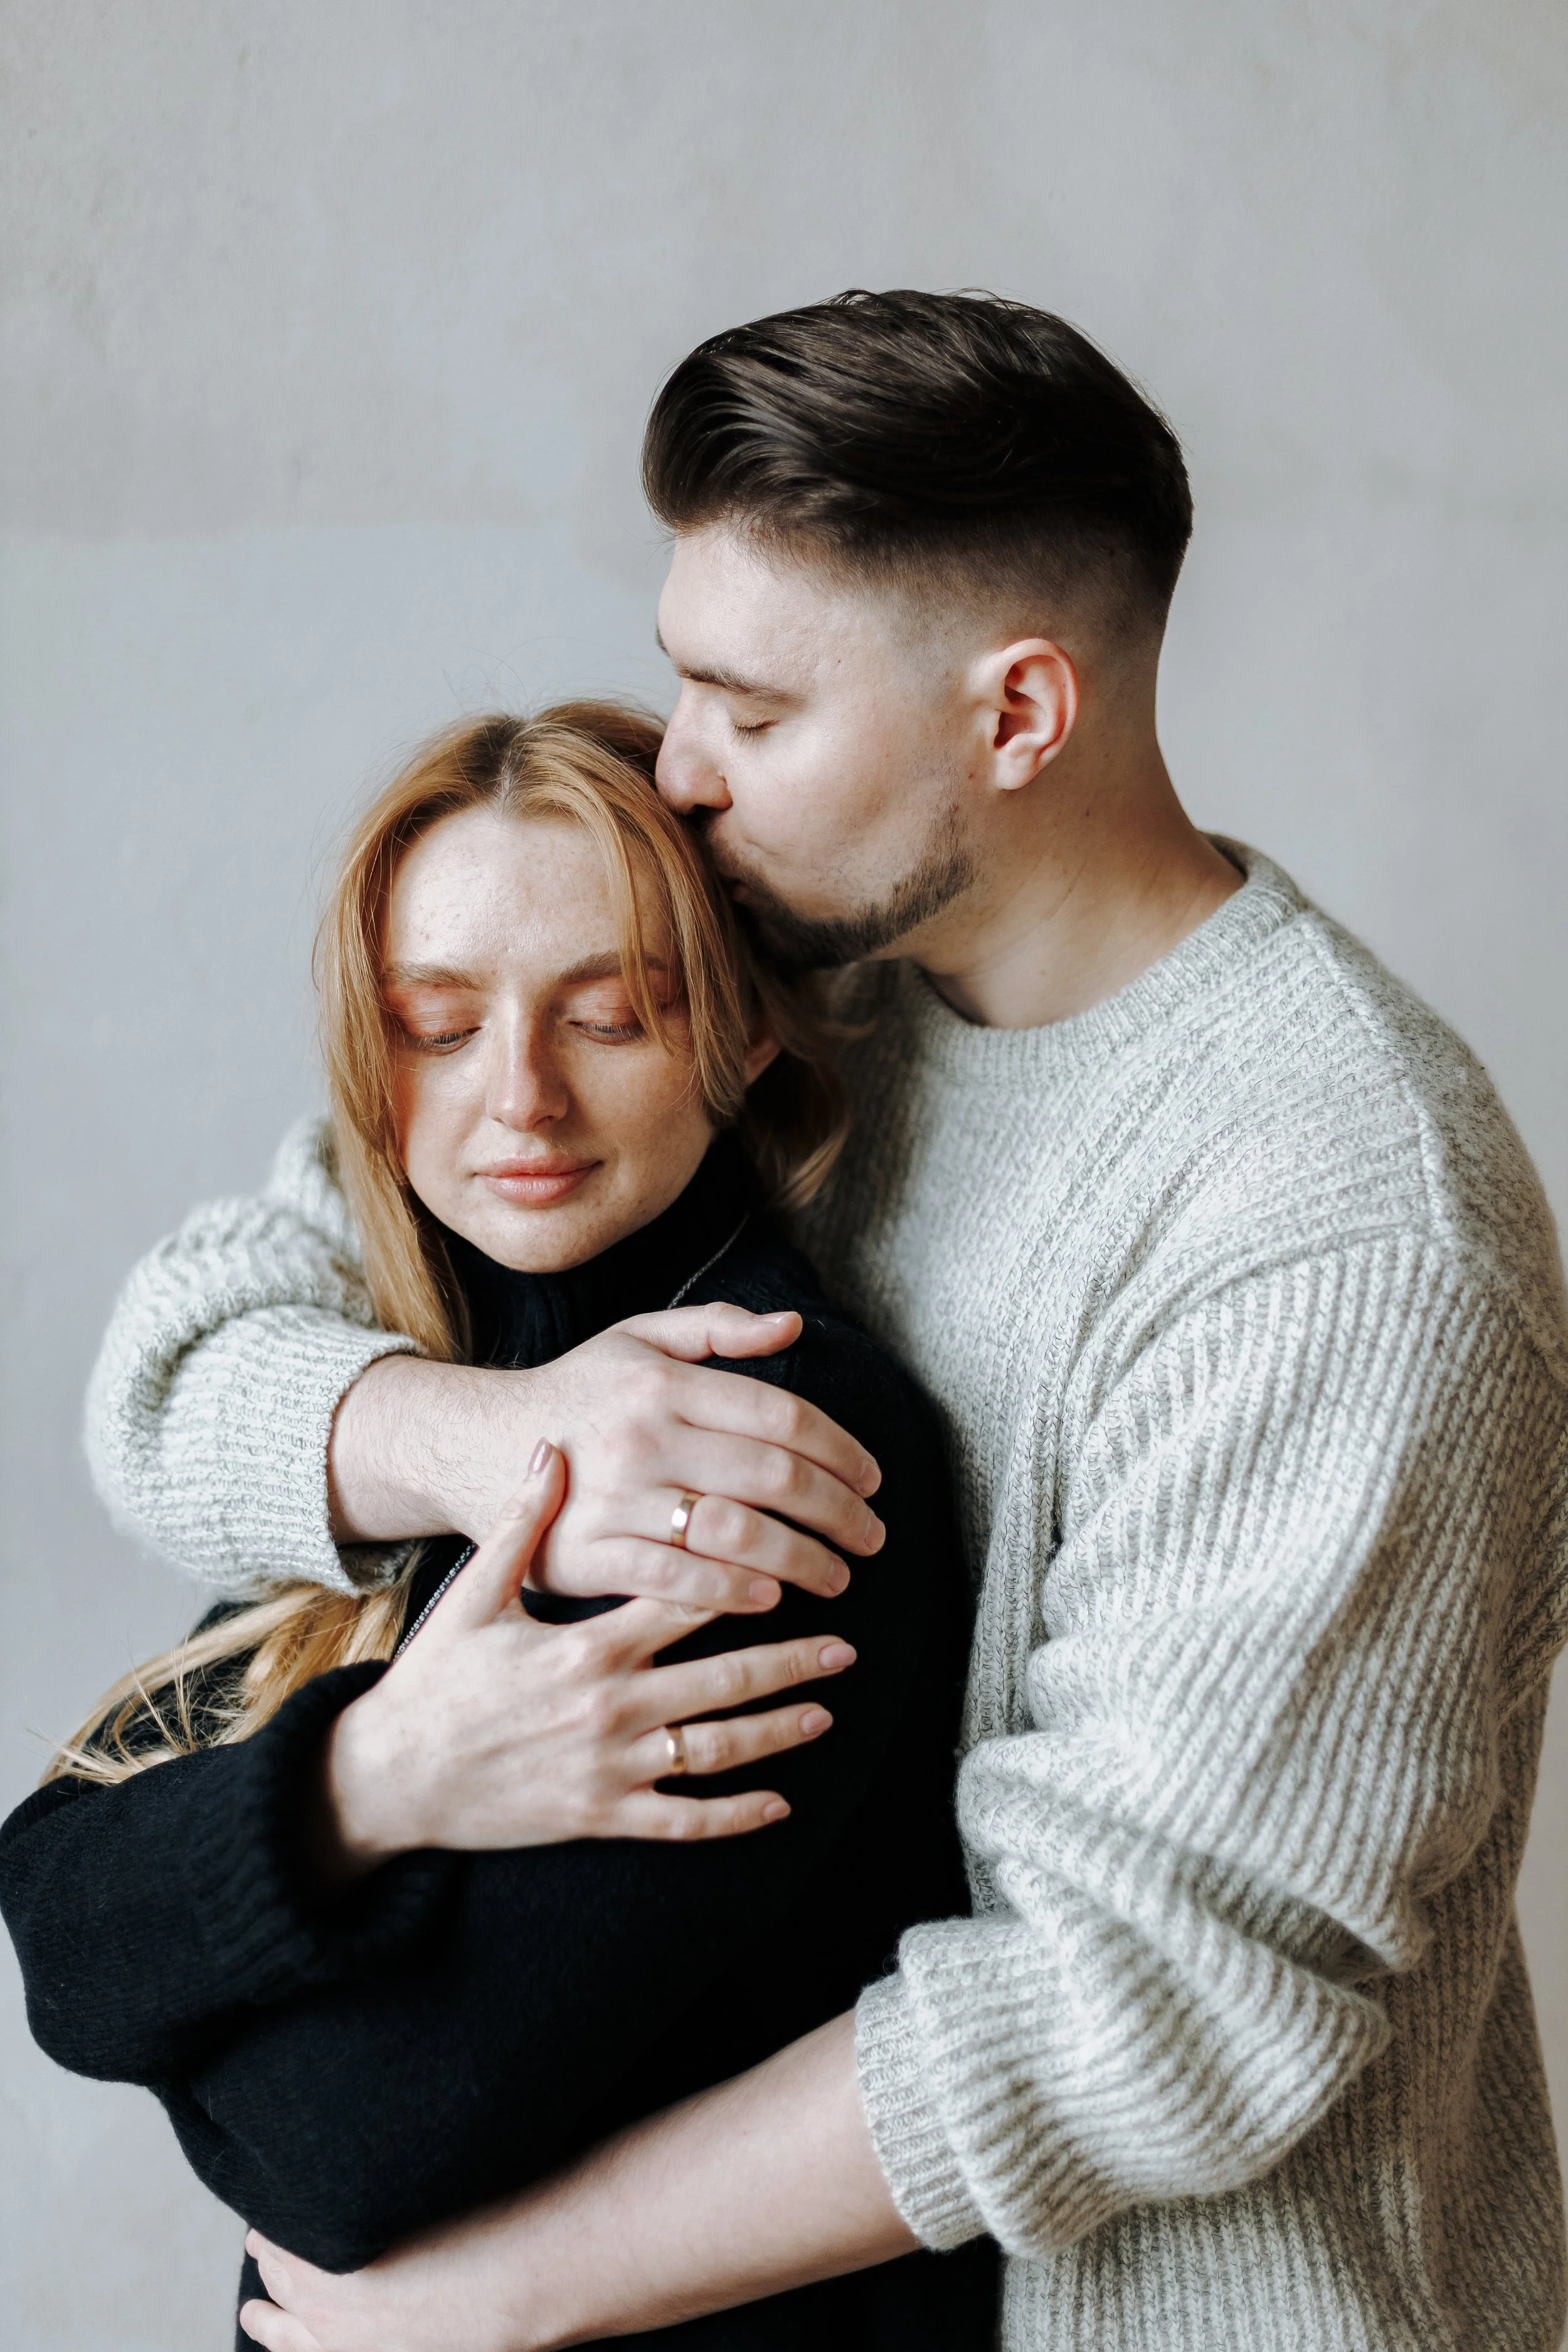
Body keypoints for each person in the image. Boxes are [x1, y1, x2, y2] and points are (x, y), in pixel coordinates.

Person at [56, 292, 1568, 2350]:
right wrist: (493, 1453)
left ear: (1015, 714)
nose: (675, 769)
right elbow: (186, 1350)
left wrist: (498, 2293)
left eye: (750, 714)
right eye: (684, 676)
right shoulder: (765, 987)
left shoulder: (1340, 1217)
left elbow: (1141, 2004)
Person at [0, 702, 1000, 2348]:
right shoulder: (416, 1379)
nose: (519, 1096)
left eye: (609, 1015)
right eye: (438, 1023)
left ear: (747, 1034)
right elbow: (52, 1915)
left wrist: (199, 1958)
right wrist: (373, 1776)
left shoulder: (756, 1443)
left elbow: (337, 2155)